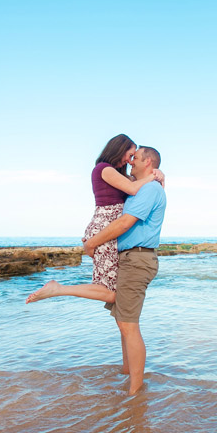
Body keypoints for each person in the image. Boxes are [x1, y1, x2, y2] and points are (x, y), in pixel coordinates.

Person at [25, 134, 162, 305]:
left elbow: (147, 192)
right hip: (106, 228)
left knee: (110, 290)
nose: (129, 161)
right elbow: (134, 189)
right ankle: (58, 289)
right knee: (111, 293)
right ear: (120, 150)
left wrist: (158, 175)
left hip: (109, 229)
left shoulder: (117, 174)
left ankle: (59, 289)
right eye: (130, 155)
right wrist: (154, 176)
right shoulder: (104, 169)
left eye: (134, 157)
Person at [83, 146, 166, 395]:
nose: (131, 162)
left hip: (137, 258)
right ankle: (127, 375)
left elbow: (124, 222)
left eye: (135, 158)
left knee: (129, 324)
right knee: (123, 323)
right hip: (129, 258)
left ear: (148, 162)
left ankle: (135, 393)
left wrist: (92, 242)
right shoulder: (143, 187)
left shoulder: (149, 189)